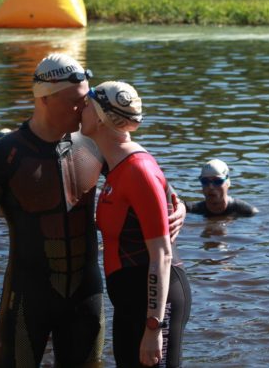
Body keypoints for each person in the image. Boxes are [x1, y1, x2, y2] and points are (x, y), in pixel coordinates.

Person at [0, 54, 187, 367]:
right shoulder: (3, 155)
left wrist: (179, 204)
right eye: (76, 102)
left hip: (86, 295)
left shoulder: (92, 143)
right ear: (46, 99)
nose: (85, 109)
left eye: (87, 101)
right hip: (28, 296)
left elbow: (142, 176)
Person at [82, 81, 191, 367]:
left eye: (86, 105)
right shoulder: (114, 164)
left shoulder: (138, 169)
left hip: (156, 300)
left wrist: (153, 327)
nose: (80, 110)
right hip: (130, 300)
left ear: (99, 116)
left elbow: (162, 255)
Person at [188, 159, 258, 217]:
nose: (211, 187)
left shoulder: (247, 212)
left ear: (227, 183)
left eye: (217, 181)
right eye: (205, 181)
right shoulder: (193, 210)